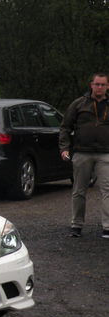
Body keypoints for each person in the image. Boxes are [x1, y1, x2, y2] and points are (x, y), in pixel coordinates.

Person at [59, 73, 109, 238]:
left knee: (107, 190)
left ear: (107, 86)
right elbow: (65, 126)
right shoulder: (79, 104)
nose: (99, 87)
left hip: (105, 154)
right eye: (97, 84)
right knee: (79, 190)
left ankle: (107, 227)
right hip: (82, 152)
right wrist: (64, 148)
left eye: (102, 84)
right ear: (91, 85)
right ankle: (76, 225)